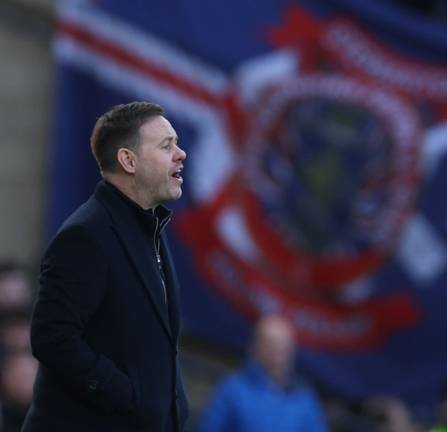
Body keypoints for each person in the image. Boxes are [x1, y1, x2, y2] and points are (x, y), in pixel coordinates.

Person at [22, 101, 189, 432]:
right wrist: (126, 396)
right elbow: (52, 338)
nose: (180, 154)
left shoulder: (149, 229)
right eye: (166, 146)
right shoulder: (86, 236)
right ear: (128, 160)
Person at [197, 315, 327, 432]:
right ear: (255, 347)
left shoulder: (304, 397)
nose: (280, 351)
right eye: (272, 344)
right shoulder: (233, 390)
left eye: (285, 345)